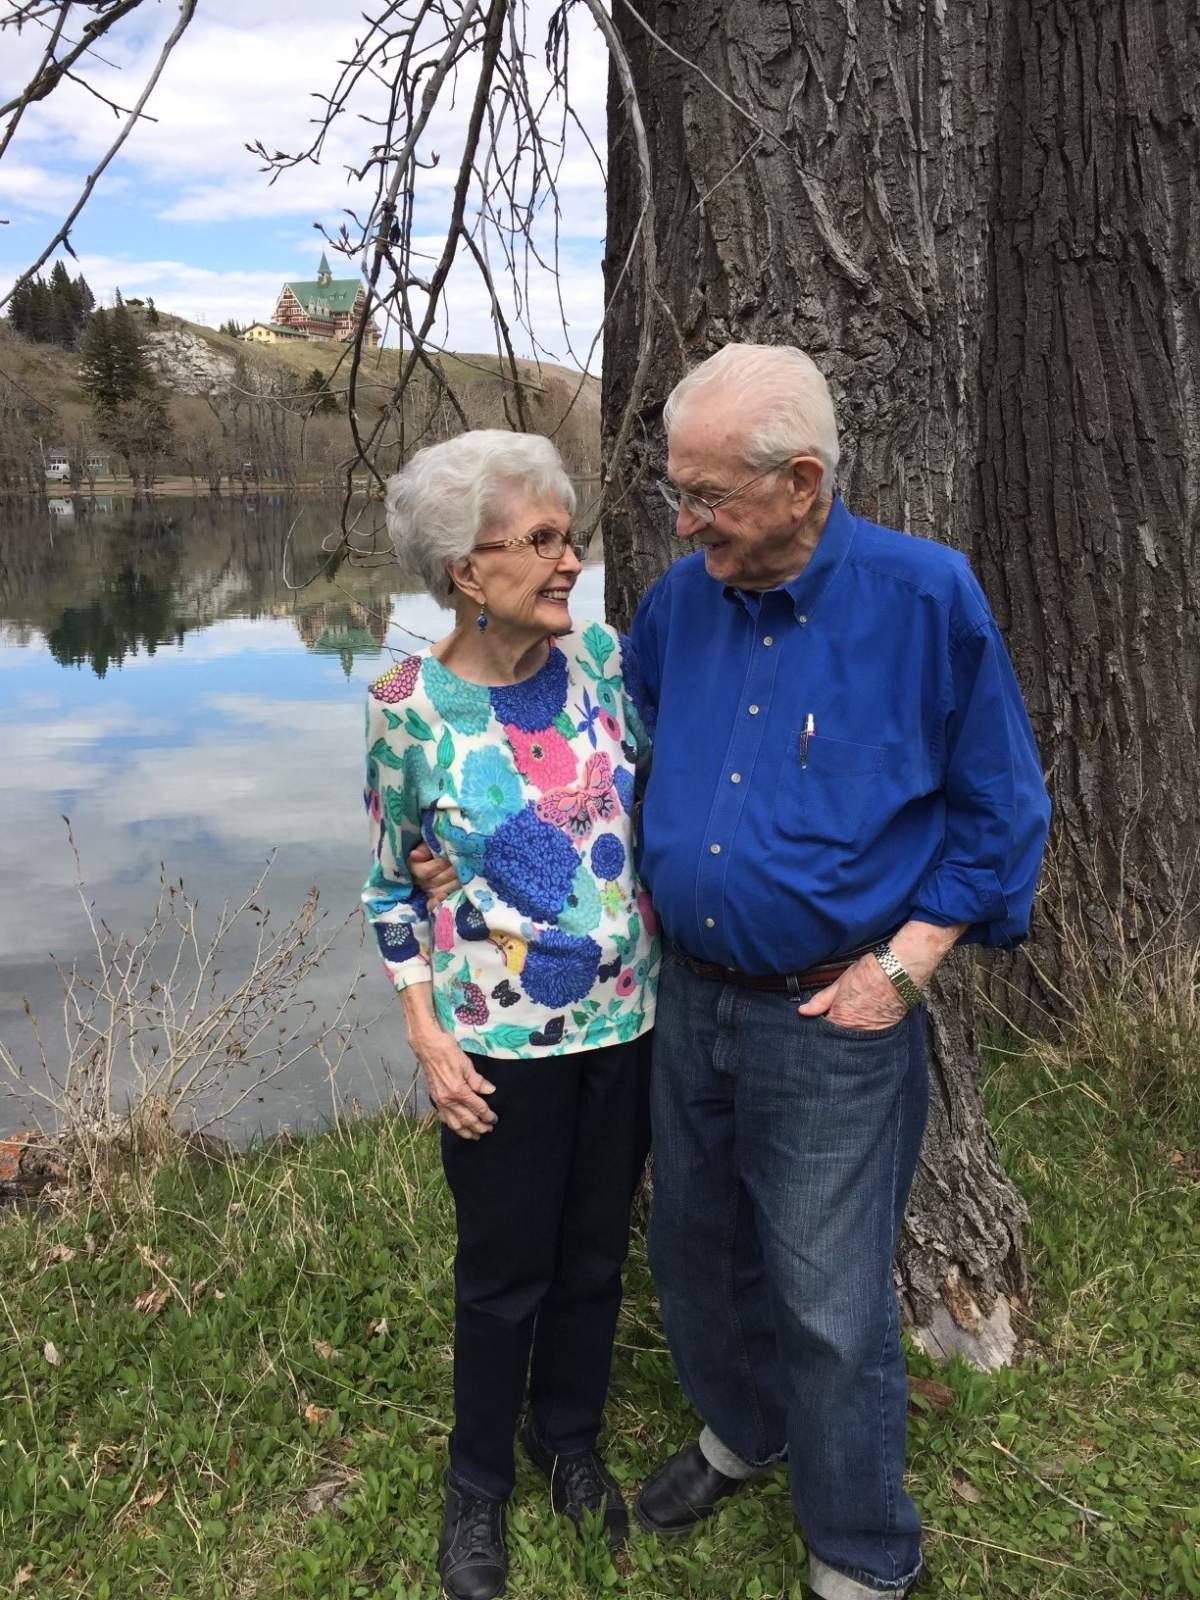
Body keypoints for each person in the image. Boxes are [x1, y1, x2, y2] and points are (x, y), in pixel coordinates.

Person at [625, 344, 1050, 1600]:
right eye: (675, 492)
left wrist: (905, 967)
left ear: (801, 482)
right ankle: (745, 1431)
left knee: (826, 1294)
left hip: (831, 1017)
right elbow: (618, 754)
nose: (685, 521)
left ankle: (862, 1550)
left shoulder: (925, 599)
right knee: (696, 1249)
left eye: (708, 496)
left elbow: (1001, 807)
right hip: (690, 994)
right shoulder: (677, 603)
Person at [360, 429, 658, 1600]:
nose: (567, 560)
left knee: (592, 1255)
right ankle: (477, 1480)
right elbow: (390, 887)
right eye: (538, 540)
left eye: (567, 536)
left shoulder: (604, 662)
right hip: (494, 1043)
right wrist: (427, 1033)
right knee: (502, 1270)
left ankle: (567, 1438)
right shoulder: (404, 707)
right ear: (463, 569)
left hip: (625, 1025)